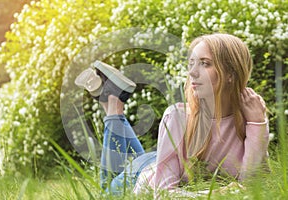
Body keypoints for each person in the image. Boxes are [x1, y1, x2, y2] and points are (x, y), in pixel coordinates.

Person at [75, 33, 269, 196]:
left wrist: (258, 123)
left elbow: (252, 185)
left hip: (165, 162)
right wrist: (218, 193)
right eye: (191, 63)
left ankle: (111, 100)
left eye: (204, 63)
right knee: (102, 194)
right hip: (143, 175)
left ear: (231, 74)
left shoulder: (251, 118)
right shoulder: (178, 117)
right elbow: (164, 194)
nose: (192, 72)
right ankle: (112, 106)